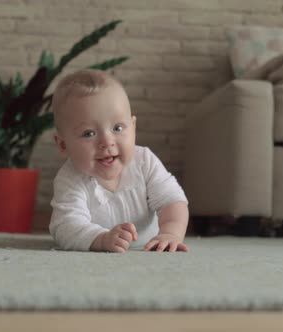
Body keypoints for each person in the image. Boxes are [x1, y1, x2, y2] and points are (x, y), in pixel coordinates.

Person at [49, 69, 189, 253]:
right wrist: (101, 239)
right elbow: (65, 226)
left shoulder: (144, 161)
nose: (107, 142)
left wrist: (171, 234)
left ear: (133, 127)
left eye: (117, 128)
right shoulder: (70, 179)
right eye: (89, 133)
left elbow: (173, 201)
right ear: (63, 145)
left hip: (148, 246)